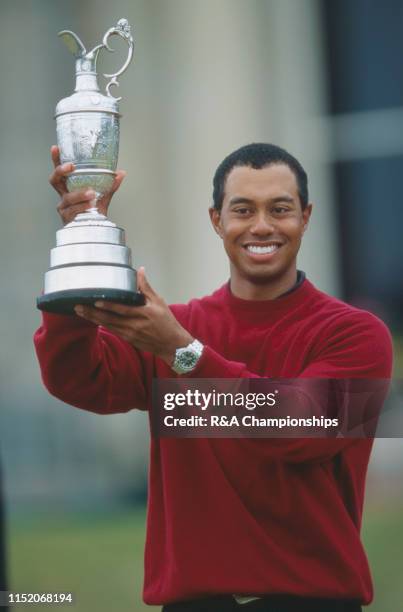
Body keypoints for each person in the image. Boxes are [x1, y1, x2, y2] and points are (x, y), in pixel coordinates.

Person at [34, 143, 392, 612]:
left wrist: (182, 353)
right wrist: (81, 242)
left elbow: (299, 430)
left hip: (313, 601)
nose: (261, 226)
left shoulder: (358, 334)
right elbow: (74, 378)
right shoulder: (175, 326)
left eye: (279, 209)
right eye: (242, 210)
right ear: (216, 220)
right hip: (193, 604)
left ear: (305, 218)